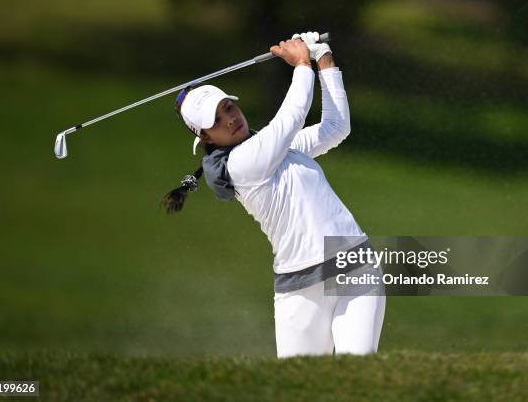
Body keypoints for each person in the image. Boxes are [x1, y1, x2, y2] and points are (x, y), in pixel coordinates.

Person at [163, 32, 385, 358]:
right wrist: (300, 64)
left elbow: (336, 128)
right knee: (300, 387)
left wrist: (323, 57)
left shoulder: (275, 148)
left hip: (355, 266)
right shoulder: (242, 165)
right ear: (205, 136)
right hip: (299, 289)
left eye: (228, 106)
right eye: (216, 119)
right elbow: (292, 114)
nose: (230, 118)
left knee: (359, 371)